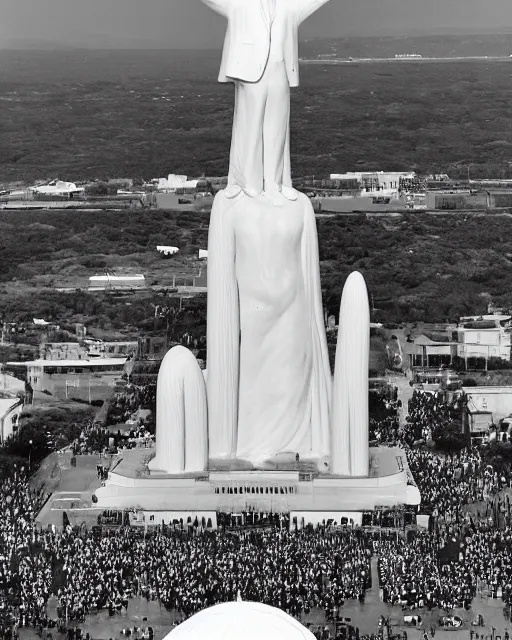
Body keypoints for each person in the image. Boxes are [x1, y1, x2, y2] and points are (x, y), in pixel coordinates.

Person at [201, 0, 331, 203]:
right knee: (249, 127)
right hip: (249, 70)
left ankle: (275, 182)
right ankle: (247, 181)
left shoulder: (289, 6)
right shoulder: (238, 3)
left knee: (277, 130)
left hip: (280, 70)